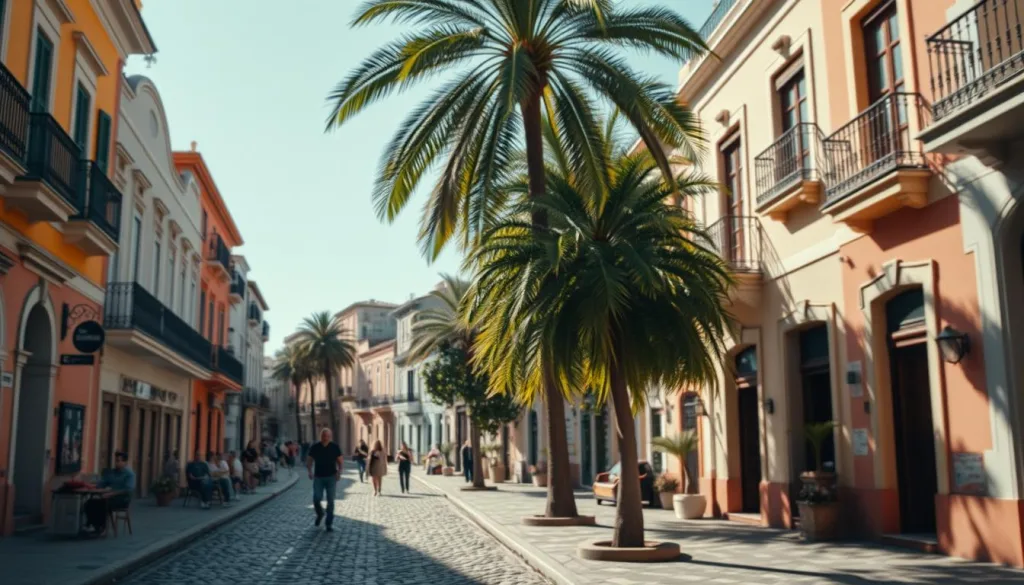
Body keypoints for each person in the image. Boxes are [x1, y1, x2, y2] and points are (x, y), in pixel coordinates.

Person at [84, 452, 135, 534]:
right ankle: (93, 525)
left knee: (102, 504)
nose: (117, 463)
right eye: (116, 461)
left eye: (119, 461)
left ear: (125, 462)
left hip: (122, 499)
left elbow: (127, 489)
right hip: (110, 497)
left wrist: (111, 494)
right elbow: (103, 483)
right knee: (89, 503)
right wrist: (92, 485)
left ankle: (100, 527)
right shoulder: (113, 472)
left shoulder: (129, 474)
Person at [307, 428, 343, 531]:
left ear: (330, 437)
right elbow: (309, 460)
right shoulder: (315, 447)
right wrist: (309, 471)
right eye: (324, 436)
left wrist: (339, 472)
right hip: (318, 477)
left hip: (331, 476)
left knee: (330, 500)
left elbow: (340, 461)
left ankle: (329, 523)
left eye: (327, 436)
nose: (325, 438)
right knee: (316, 498)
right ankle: (320, 513)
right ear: (321, 436)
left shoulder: (335, 447)